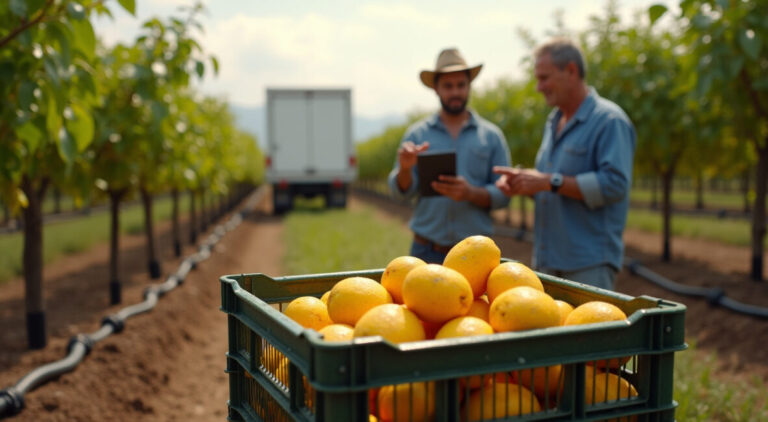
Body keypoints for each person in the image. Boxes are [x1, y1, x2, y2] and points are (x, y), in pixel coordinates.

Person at [493, 38, 636, 290]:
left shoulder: (609, 121)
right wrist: (525, 183)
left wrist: (548, 181)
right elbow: (551, 185)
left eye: (544, 78)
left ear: (571, 70)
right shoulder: (553, 122)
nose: (538, 87)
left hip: (588, 264)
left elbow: (615, 185)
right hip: (547, 261)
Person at [388, 47, 511, 264]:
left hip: (475, 254)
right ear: (436, 89)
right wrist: (405, 170)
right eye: (448, 86)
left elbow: (504, 193)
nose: (455, 92)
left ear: (469, 86)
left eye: (461, 85)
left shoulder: (492, 136)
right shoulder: (417, 134)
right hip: (426, 250)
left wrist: (471, 193)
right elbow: (401, 193)